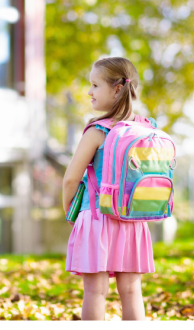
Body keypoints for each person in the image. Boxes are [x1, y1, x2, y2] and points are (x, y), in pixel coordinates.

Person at [62, 57, 154, 321]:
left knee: (95, 291)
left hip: (96, 218)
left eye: (94, 85)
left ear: (116, 89)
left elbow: (71, 179)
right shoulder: (146, 127)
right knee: (131, 290)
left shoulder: (97, 130)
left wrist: (71, 211)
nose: (89, 91)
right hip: (134, 220)